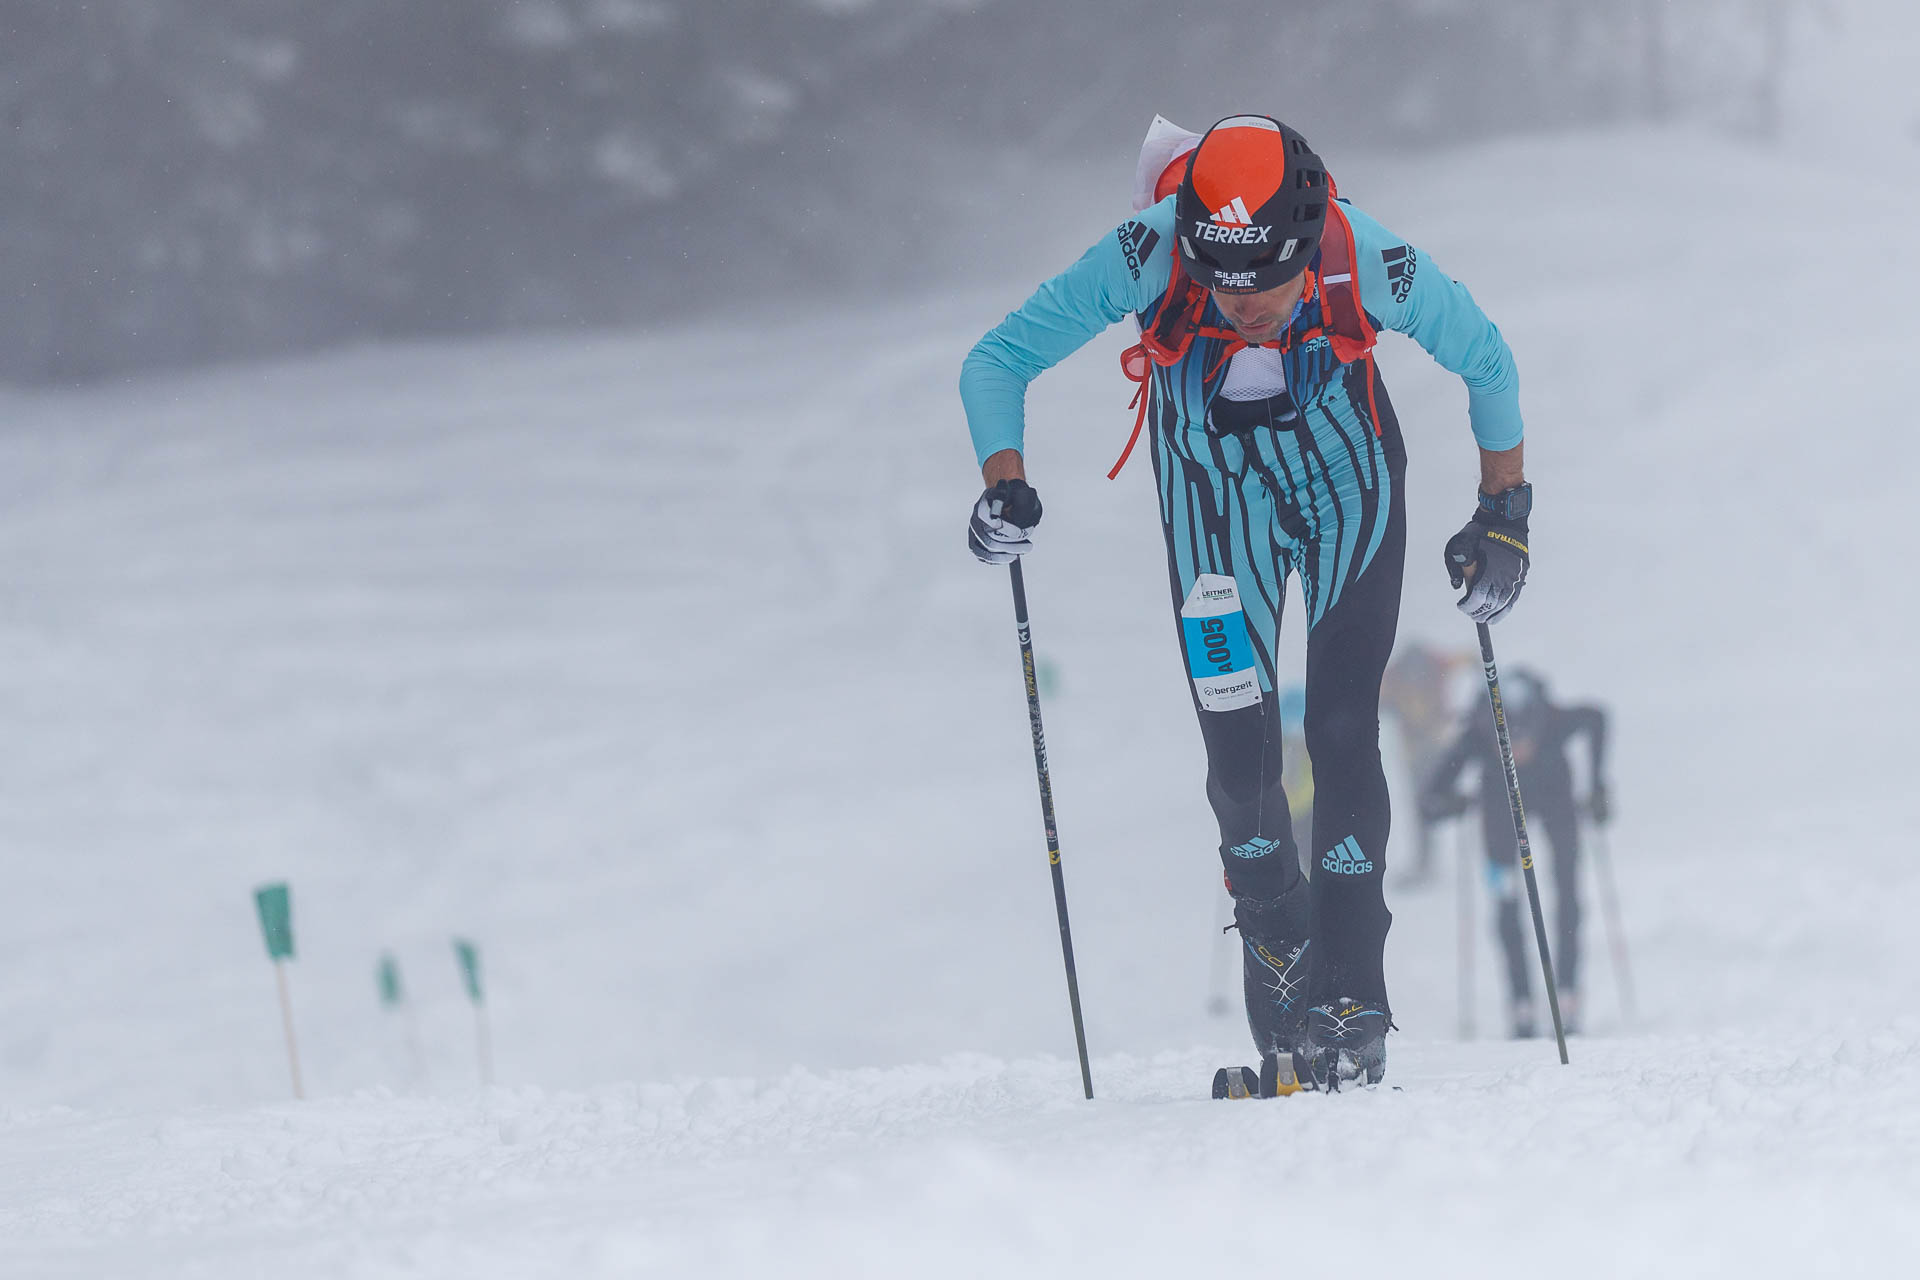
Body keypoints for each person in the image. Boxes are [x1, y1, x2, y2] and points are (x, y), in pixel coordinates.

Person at [959, 114, 1532, 1090]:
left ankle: (1353, 998)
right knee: (1241, 760)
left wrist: (1504, 514)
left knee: (1347, 728)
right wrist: (1002, 485)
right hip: (1215, 505)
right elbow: (996, 361)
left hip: (1347, 482)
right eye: (1222, 276)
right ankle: (1280, 956)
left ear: (1308, 244)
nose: (1244, 300)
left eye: (1266, 276)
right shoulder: (1148, 253)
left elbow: (1487, 360)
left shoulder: (1367, 254)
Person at [1420, 668, 1610, 1036]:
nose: (1518, 750)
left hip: (1556, 796)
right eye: (1507, 743)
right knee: (1506, 901)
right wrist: (1454, 803)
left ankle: (1567, 993)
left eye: (1525, 739)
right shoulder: (1475, 736)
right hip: (1500, 806)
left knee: (1568, 894)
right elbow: (1429, 799)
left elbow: (1598, 718)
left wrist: (1598, 785)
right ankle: (1520, 1003)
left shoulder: (1554, 721)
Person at [1380, 642, 1479, 885]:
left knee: (1428, 801)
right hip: (1421, 748)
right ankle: (1426, 861)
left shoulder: (1427, 666)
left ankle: (1431, 860)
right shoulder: (1402, 674)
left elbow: (1468, 659)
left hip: (1433, 745)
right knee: (1423, 804)